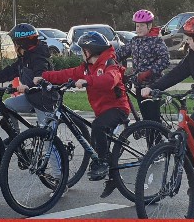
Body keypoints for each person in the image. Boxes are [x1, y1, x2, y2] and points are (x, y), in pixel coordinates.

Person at [39, 30, 130, 197]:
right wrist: (44, 76)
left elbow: (110, 80)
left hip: (118, 108)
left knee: (98, 126)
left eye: (82, 50)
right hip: (101, 110)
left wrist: (88, 81)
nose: (81, 53)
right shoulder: (87, 67)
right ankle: (111, 171)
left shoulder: (110, 63)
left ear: (89, 51)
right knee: (98, 130)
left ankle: (102, 162)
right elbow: (67, 74)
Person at [144, 14, 194, 140]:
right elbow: (176, 73)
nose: (186, 41)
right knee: (184, 145)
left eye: (189, 38)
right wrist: (153, 87)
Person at [0, 23, 58, 131]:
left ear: (21, 44)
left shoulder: (39, 58)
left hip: (44, 101)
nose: (14, 46)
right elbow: (9, 72)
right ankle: (16, 141)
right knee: (8, 105)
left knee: (47, 135)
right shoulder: (24, 58)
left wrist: (27, 86)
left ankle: (55, 147)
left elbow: (41, 76)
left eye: (14, 43)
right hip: (31, 97)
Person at [115, 10, 170, 122]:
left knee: (153, 118)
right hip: (139, 84)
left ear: (149, 26)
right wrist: (108, 60)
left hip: (153, 84)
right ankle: (149, 136)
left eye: (141, 26)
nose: (138, 28)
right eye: (137, 26)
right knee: (145, 117)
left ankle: (158, 138)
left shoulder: (156, 41)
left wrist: (150, 72)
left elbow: (165, 59)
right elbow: (120, 53)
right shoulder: (135, 41)